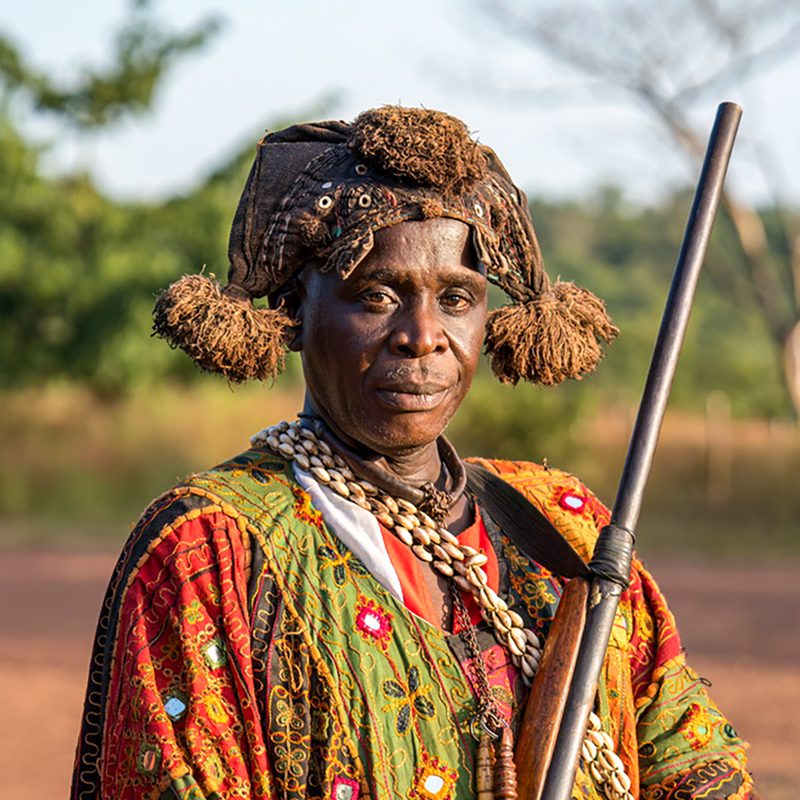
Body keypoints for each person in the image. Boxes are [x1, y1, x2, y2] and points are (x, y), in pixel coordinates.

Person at [72, 106, 752, 800]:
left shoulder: (570, 528)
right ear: (294, 311)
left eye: (456, 298)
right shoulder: (211, 551)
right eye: (375, 296)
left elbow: (694, 766)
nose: (422, 335)